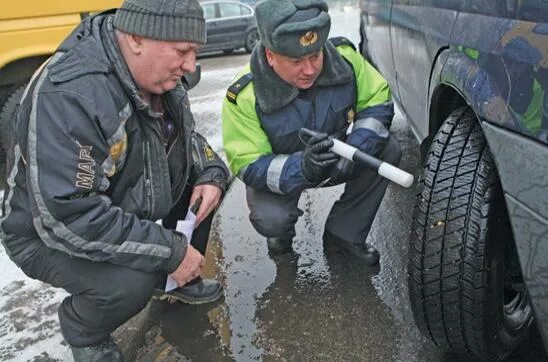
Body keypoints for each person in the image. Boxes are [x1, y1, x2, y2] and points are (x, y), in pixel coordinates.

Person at [0, 0, 230, 360]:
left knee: (206, 186)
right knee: (131, 281)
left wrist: (211, 171)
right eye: (183, 51)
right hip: (42, 231)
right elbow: (69, 216)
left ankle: (175, 279)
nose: (190, 65)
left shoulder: (152, 72)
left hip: (111, 202)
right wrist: (169, 251)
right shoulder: (72, 95)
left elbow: (183, 138)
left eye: (194, 52)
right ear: (137, 38)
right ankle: (84, 330)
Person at [222, 0, 401, 266]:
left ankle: (344, 234)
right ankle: (280, 235)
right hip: (287, 174)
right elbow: (248, 163)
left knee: (388, 149)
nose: (309, 70)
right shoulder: (244, 95)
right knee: (270, 217)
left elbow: (377, 100)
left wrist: (356, 148)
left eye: (315, 56)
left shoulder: (344, 58)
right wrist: (303, 168)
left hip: (338, 159)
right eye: (296, 61)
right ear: (270, 56)